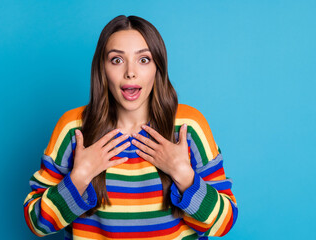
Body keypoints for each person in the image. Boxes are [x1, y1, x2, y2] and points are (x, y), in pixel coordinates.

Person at [23, 15, 238, 240]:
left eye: (143, 59)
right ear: (102, 68)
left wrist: (183, 175)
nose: (130, 72)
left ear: (158, 67)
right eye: (117, 60)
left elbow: (224, 223)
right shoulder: (74, 128)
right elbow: (38, 224)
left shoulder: (188, 127)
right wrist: (80, 176)